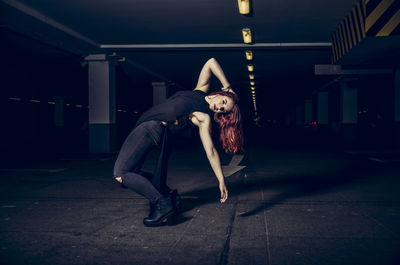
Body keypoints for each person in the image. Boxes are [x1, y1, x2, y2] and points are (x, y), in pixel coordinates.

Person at [113, 58, 244, 227]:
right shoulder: (200, 91)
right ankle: (169, 196)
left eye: (223, 110)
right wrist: (227, 86)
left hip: (151, 128)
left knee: (121, 173)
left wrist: (221, 180)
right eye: (224, 102)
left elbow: (210, 150)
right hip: (149, 124)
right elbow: (211, 62)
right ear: (220, 94)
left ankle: (162, 203)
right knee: (133, 171)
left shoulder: (203, 117)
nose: (220, 108)